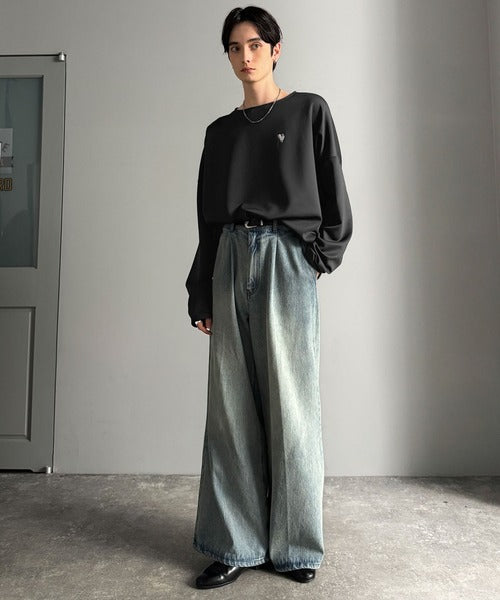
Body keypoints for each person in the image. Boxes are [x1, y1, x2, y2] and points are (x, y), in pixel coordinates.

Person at [185, 5, 353, 590]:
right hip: (230, 258)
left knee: (292, 406)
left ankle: (296, 546)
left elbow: (333, 189)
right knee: (230, 409)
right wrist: (201, 290)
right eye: (234, 47)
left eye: (254, 44)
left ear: (275, 49)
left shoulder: (308, 111)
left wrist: (319, 256)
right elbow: (208, 219)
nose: (245, 56)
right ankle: (233, 543)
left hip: (286, 257)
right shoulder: (220, 132)